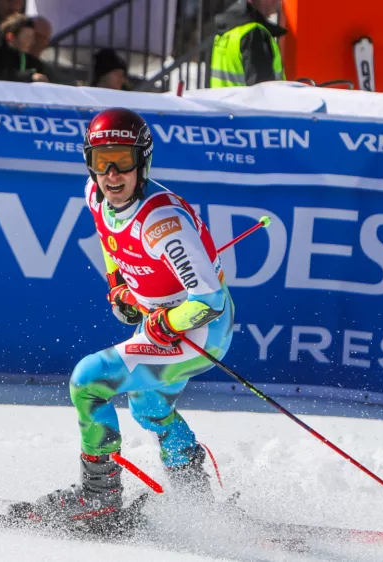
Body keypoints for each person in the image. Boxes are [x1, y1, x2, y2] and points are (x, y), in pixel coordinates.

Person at [28, 107, 235, 525]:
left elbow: (209, 300)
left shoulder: (161, 222)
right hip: (162, 320)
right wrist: (117, 282)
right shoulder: (96, 194)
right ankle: (196, 503)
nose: (110, 173)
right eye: (99, 160)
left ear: (143, 161)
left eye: (122, 160)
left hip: (201, 331)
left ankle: (99, 496)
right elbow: (108, 237)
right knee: (148, 406)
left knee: (88, 381)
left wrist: (167, 322)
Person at [210, 0, 286, 87]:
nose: (277, 2)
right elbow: (262, 92)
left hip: (223, 100)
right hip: (242, 100)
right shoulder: (253, 34)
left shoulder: (227, 30)